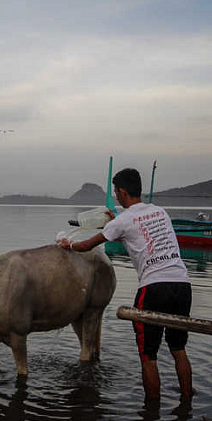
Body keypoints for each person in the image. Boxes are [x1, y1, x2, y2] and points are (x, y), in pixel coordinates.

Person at [57, 168, 193, 401]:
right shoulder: (160, 212)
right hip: (182, 285)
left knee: (148, 356)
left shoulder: (124, 219)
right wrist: (116, 222)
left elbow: (87, 245)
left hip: (153, 288)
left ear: (121, 191)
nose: (116, 196)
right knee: (178, 349)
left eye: (116, 192)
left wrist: (67, 245)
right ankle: (187, 403)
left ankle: (151, 413)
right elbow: (134, 234)